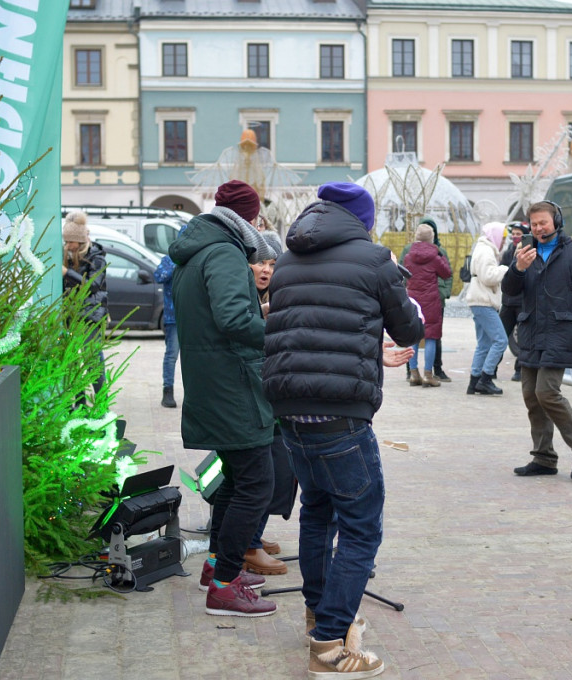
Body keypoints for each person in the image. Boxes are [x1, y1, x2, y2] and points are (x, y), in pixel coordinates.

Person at [263, 182, 423, 678]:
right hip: (342, 414)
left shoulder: (287, 259)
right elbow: (411, 330)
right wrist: (397, 281)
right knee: (360, 528)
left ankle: (318, 615)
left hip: (291, 411)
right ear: (362, 220)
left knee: (317, 513)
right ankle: (331, 643)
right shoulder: (374, 260)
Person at [169, 179, 280, 617]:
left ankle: (217, 567)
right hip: (232, 385)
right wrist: (278, 333)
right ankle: (225, 585)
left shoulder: (198, 249)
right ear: (248, 218)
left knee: (234, 484)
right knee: (257, 484)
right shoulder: (225, 252)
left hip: (211, 381)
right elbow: (234, 319)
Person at [503, 201, 572, 479]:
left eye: (543, 223)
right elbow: (509, 291)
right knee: (530, 396)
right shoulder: (524, 253)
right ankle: (544, 457)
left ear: (556, 221)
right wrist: (518, 269)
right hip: (531, 331)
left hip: (561, 332)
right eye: (533, 224)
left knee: (546, 392)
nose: (538, 228)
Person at [240, 230, 289, 576]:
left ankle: (252, 536)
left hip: (266, 396)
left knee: (271, 472)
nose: (266, 269)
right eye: (260, 262)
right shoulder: (242, 298)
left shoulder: (262, 298)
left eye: (272, 263)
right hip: (252, 400)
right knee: (262, 475)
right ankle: (248, 544)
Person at [61, 210, 108, 397]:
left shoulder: (97, 257)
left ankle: (101, 403)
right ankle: (78, 404)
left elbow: (93, 285)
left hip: (90, 316)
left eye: (70, 242)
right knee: (71, 362)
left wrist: (67, 273)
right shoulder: (66, 256)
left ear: (80, 241)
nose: (67, 246)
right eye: (66, 241)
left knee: (92, 360)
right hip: (69, 316)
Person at [401, 217, 453, 382]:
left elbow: (403, 275)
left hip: (413, 300)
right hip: (431, 300)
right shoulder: (435, 256)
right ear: (432, 238)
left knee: (413, 336)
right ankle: (428, 375)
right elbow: (446, 274)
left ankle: (413, 373)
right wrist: (439, 255)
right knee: (431, 336)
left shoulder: (409, 256)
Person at [465, 222, 511, 395]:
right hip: (483, 300)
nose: (503, 242)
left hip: (478, 299)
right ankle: (485, 379)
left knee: (484, 344)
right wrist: (505, 269)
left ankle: (474, 382)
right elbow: (488, 277)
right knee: (501, 340)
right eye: (503, 238)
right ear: (496, 236)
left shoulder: (483, 248)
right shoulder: (486, 251)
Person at [153, 226, 187, 409]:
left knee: (193, 356)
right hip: (173, 317)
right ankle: (168, 391)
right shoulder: (169, 259)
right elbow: (158, 276)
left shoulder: (197, 259)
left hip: (192, 317)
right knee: (172, 355)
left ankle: (193, 392)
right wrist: (177, 262)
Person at [499, 222, 527, 381]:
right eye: (514, 233)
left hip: (522, 301)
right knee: (500, 335)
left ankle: (519, 370)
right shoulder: (509, 251)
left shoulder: (529, 252)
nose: (515, 236)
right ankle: (491, 367)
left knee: (523, 338)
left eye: (519, 234)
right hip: (508, 301)